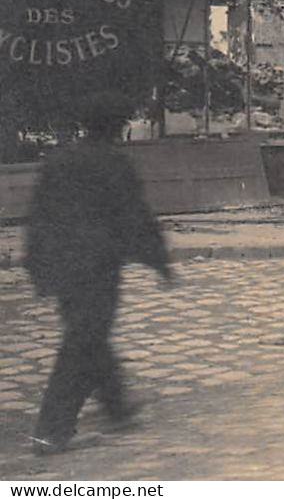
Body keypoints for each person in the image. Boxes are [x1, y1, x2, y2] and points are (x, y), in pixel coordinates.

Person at [24, 92, 174, 456]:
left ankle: (117, 406)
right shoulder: (114, 163)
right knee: (84, 341)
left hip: (62, 266)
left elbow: (38, 217)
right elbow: (136, 218)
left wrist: (37, 267)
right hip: (98, 267)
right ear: (115, 126)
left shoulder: (58, 160)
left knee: (89, 332)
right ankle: (51, 430)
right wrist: (160, 262)